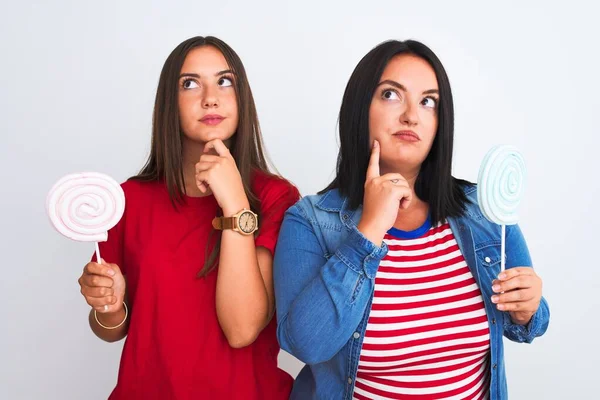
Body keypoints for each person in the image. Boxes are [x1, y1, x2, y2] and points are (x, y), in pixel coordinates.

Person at [273, 39, 549, 400]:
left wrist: (529, 308)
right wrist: (368, 230)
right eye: (391, 95)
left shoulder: (484, 212)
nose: (411, 115)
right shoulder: (310, 222)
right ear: (360, 108)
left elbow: (530, 321)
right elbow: (306, 344)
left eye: (428, 101)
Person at [77, 36, 298, 399]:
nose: (210, 97)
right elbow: (112, 329)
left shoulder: (276, 197)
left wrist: (235, 205)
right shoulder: (127, 200)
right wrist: (110, 307)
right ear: (169, 103)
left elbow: (242, 329)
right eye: (190, 84)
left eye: (224, 81)